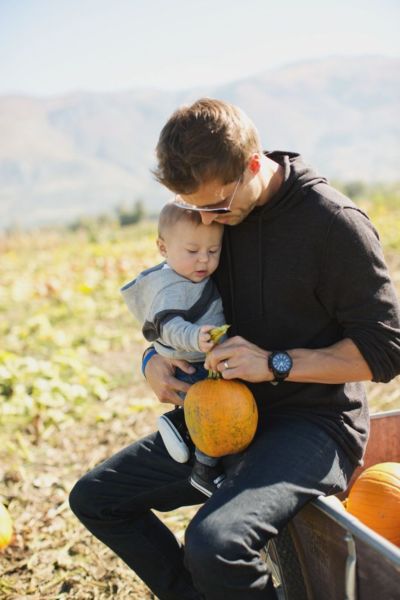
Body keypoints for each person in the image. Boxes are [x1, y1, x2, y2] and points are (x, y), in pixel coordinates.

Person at [70, 98, 400, 600]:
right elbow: (176, 308)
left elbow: (386, 351)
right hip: (222, 415)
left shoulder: (333, 225)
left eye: (217, 206)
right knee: (97, 499)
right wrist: (151, 360)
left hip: (313, 424)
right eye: (195, 207)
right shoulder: (214, 213)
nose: (207, 219)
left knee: (215, 544)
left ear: (252, 163)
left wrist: (275, 365)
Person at [120, 203, 228, 496]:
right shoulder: (169, 286)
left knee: (206, 409)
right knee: (215, 415)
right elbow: (168, 325)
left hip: (203, 356)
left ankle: (177, 423)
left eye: (213, 251)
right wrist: (195, 337)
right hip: (193, 362)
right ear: (163, 248)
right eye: (192, 252)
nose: (203, 260)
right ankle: (205, 471)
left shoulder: (189, 274)